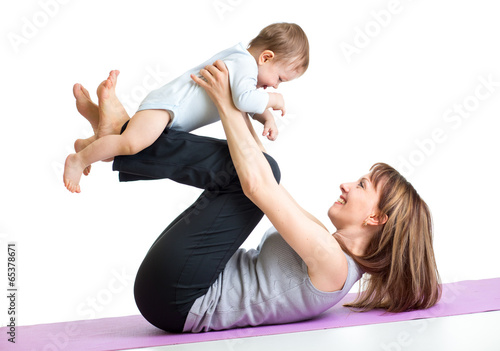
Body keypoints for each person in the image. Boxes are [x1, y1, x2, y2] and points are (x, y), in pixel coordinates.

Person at [72, 61, 441, 333]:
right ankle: (122, 136)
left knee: (262, 175)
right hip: (175, 289)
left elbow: (257, 187)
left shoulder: (333, 264)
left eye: (362, 186)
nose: (346, 185)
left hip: (179, 298)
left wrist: (225, 104)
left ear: (376, 219)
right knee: (265, 169)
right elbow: (262, 177)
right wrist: (239, 106)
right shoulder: (329, 248)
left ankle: (124, 138)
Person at [63, 22, 309, 193]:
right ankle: (79, 159)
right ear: (266, 58)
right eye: (279, 79)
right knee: (130, 144)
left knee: (121, 151)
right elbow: (245, 100)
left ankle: (90, 141)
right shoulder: (244, 64)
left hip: (169, 114)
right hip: (166, 107)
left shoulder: (243, 66)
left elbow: (243, 100)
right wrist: (275, 101)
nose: (276, 86)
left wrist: (267, 118)